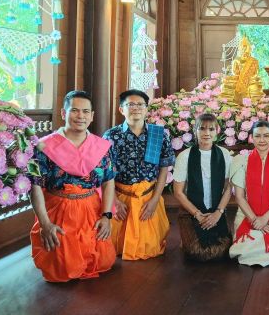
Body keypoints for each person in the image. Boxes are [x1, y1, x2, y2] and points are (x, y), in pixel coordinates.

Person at [29, 90, 116, 282]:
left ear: (92, 116)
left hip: (91, 211)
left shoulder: (102, 147)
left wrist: (106, 215)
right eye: (74, 110)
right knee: (62, 267)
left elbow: (108, 181)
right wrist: (45, 223)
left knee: (104, 261)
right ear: (63, 113)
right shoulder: (43, 146)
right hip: (58, 213)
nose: (80, 116)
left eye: (86, 111)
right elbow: (35, 186)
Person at [103, 89, 175, 260]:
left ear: (146, 108)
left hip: (148, 199)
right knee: (115, 246)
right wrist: (115, 202)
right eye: (130, 104)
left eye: (140, 104)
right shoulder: (111, 136)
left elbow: (164, 168)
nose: (136, 108)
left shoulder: (158, 134)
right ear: (121, 109)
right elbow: (105, 172)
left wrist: (155, 199)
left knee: (150, 247)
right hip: (121, 200)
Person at [173, 113, 232, 261]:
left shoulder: (224, 154)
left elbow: (228, 187)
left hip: (216, 210)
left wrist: (218, 213)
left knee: (223, 251)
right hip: (192, 211)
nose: (207, 133)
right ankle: (186, 236)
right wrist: (197, 214)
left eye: (211, 129)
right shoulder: (185, 156)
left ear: (217, 132)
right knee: (197, 253)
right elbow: (178, 192)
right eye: (202, 128)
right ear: (195, 131)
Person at [229, 121, 269, 266]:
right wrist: (255, 220)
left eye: (266, 136)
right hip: (246, 214)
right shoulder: (241, 161)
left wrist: (265, 219)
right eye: (258, 136)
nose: (262, 140)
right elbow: (239, 197)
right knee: (244, 249)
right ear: (251, 138)